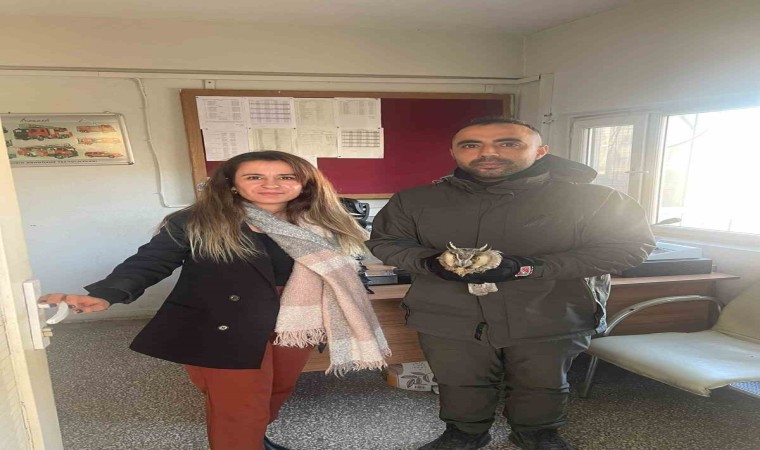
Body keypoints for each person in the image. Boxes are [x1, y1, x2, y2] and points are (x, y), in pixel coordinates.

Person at [40, 150, 390, 450]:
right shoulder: (197, 220)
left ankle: (253, 438)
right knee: (239, 403)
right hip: (224, 320)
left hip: (295, 319)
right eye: (255, 176)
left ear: (305, 184)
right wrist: (106, 295)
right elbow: (152, 261)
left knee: (277, 389)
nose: (271, 184)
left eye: (286, 177)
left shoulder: (322, 222)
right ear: (232, 184)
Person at [366, 117, 655, 450]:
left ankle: (537, 434)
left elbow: (629, 249)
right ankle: (464, 433)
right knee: (459, 380)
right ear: (454, 152)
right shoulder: (415, 200)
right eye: (471, 145)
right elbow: (386, 242)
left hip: (550, 311)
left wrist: (530, 267)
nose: (488, 153)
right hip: (448, 313)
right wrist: (429, 262)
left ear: (541, 151)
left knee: (542, 383)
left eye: (508, 143)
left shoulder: (596, 200)